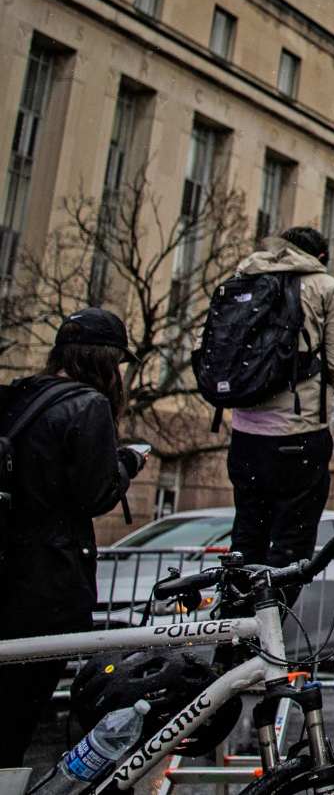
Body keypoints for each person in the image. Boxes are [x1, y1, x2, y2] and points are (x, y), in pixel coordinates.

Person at [0, 310, 147, 767]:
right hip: (46, 585)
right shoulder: (89, 405)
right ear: (106, 361)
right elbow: (95, 493)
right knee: (16, 715)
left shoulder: (21, 394)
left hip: (8, 571)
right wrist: (128, 462)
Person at [224, 226, 334, 587]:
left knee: (247, 535)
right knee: (291, 546)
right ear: (321, 257)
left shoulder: (242, 280)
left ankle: (236, 616)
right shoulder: (327, 288)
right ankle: (271, 619)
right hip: (299, 433)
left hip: (244, 435)